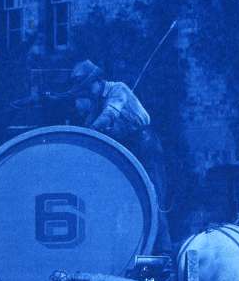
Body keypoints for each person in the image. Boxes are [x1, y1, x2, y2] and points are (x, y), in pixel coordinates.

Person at [61, 60, 172, 251]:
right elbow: (90, 122)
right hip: (126, 149)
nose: (88, 93)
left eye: (88, 88)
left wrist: (91, 132)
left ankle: (164, 251)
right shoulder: (97, 102)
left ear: (97, 81)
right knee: (126, 197)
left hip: (145, 145)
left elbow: (109, 115)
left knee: (152, 194)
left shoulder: (118, 90)